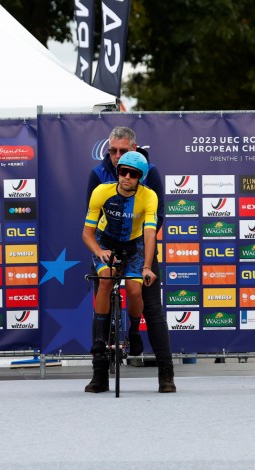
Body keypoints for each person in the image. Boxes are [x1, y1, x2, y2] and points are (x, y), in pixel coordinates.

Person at [86, 126, 176, 393]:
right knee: (103, 296)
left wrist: (146, 261)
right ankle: (99, 376)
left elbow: (157, 218)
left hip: (140, 243)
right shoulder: (97, 174)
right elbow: (91, 217)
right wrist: (101, 252)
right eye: (112, 151)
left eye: (122, 151)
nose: (117, 158)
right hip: (107, 243)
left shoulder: (152, 173)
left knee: (152, 308)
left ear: (134, 149)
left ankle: (166, 374)